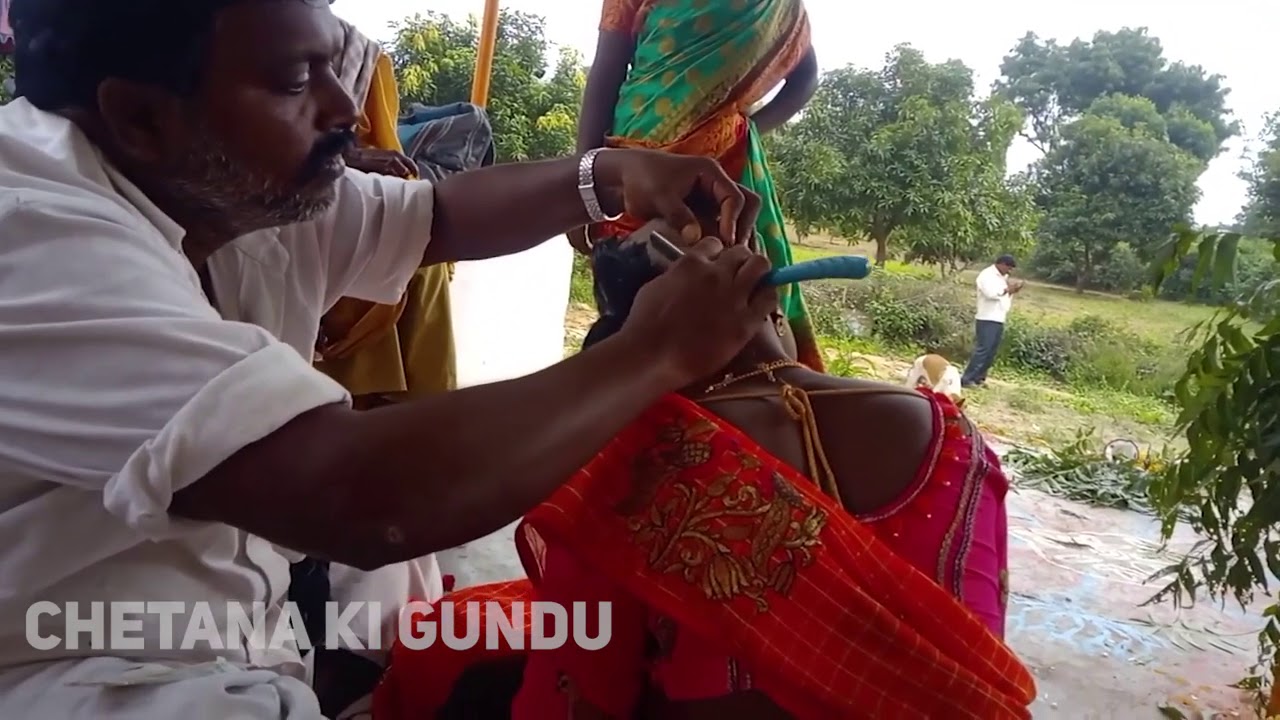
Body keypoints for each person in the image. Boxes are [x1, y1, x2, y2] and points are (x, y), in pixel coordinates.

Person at [0, 1, 778, 718]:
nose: (343, 108)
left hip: (220, 640)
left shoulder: (220, 182)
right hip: (65, 664)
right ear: (139, 116)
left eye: (333, 65)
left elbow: (436, 215)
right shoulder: (33, 236)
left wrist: (610, 173)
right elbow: (358, 497)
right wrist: (652, 351)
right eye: (296, 81)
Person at [372, 222, 1037, 720]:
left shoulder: (633, 456)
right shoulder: (950, 435)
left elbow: (580, 694)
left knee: (452, 654)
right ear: (774, 307)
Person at [571, 0, 826, 371]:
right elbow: (605, 73)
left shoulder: (778, 6)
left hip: (722, 177)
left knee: (730, 310)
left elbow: (806, 78)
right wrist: (584, 185)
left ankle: (718, 420)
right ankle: (631, 417)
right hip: (632, 168)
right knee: (627, 309)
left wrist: (742, 130)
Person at [961, 254, 1023, 389]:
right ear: (1002, 264)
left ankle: (979, 377)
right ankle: (967, 379)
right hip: (987, 317)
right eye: (1009, 268)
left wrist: (1012, 291)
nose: (1009, 271)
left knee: (991, 351)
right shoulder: (986, 275)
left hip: (998, 317)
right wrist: (1007, 289)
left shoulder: (1002, 278)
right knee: (983, 349)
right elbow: (990, 293)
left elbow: (1003, 297)